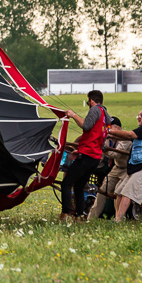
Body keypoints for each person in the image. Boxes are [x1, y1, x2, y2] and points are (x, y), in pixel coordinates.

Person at [59, 90, 108, 221]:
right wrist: (80, 150)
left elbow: (86, 126)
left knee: (66, 183)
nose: (88, 104)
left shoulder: (95, 110)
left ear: (92, 100)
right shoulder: (104, 114)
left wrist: (73, 115)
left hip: (87, 155)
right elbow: (97, 135)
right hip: (95, 157)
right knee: (79, 185)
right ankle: (79, 215)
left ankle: (64, 214)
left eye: (88, 101)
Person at [107, 108, 142, 222]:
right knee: (119, 192)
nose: (138, 117)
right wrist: (108, 136)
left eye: (141, 115)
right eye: (138, 115)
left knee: (127, 193)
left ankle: (119, 220)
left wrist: (108, 132)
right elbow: (124, 136)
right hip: (136, 168)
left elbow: (129, 134)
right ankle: (118, 218)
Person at [87, 116, 130, 220]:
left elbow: (116, 154)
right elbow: (101, 156)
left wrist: (105, 150)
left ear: (118, 128)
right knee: (102, 191)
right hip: (117, 167)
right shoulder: (108, 139)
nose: (107, 129)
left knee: (118, 192)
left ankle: (118, 218)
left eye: (109, 127)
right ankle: (91, 218)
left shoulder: (125, 139)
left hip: (127, 169)